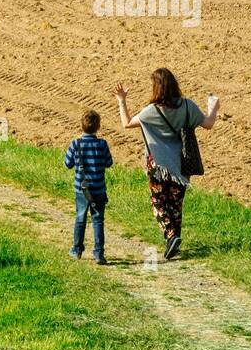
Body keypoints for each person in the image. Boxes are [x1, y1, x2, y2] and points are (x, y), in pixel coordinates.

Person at [113, 68, 219, 261]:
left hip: (158, 165)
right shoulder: (188, 106)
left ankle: (171, 236)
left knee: (158, 202)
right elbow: (208, 124)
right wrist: (214, 108)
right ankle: (174, 240)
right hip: (181, 165)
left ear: (157, 88)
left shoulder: (151, 111)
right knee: (176, 205)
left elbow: (126, 123)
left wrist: (122, 100)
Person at [64, 108, 113, 265]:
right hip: (98, 189)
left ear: (81, 126)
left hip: (81, 189)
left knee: (80, 218)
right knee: (98, 220)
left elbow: (67, 164)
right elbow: (109, 163)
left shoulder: (76, 144)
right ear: (98, 126)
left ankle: (77, 249)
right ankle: (99, 253)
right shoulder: (102, 144)